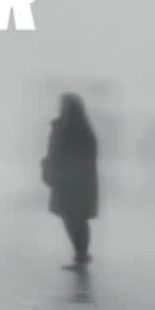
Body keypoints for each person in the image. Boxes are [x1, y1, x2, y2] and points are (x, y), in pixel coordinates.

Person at [42, 93, 98, 270]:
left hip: (72, 181)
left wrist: (54, 166)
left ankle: (81, 255)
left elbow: (83, 156)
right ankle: (81, 255)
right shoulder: (67, 126)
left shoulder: (77, 129)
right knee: (71, 218)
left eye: (64, 104)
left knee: (75, 219)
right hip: (68, 180)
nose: (61, 106)